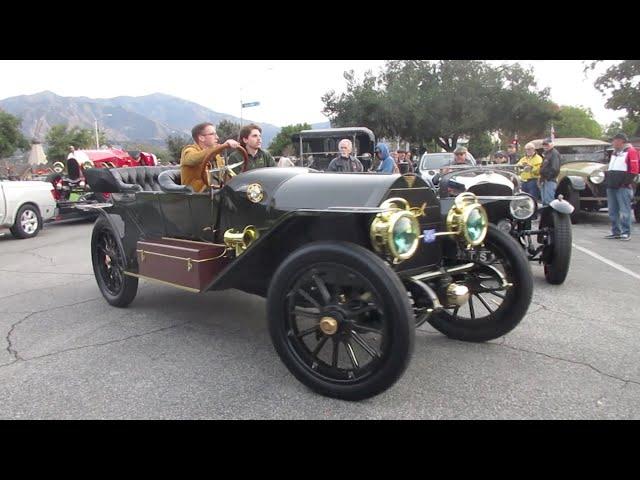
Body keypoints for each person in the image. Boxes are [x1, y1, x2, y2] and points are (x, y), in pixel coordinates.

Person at [180, 123, 240, 193]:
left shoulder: (217, 156)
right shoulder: (189, 151)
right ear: (201, 138)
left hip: (216, 193)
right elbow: (193, 159)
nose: (217, 137)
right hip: (197, 196)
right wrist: (222, 146)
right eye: (212, 134)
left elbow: (225, 175)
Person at [604, 133, 639, 240]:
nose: (612, 143)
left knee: (624, 210)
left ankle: (626, 232)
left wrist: (625, 183)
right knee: (612, 210)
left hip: (623, 187)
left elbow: (634, 170)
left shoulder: (630, 152)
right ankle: (616, 231)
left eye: (614, 140)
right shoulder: (615, 153)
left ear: (620, 141)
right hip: (612, 185)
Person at [538, 138, 561, 205]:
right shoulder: (547, 154)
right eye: (544, 145)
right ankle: (545, 214)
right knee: (544, 200)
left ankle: (550, 214)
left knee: (549, 200)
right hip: (544, 180)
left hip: (550, 180)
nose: (545, 146)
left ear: (551, 144)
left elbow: (555, 168)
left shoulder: (554, 154)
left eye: (547, 144)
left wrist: (548, 177)